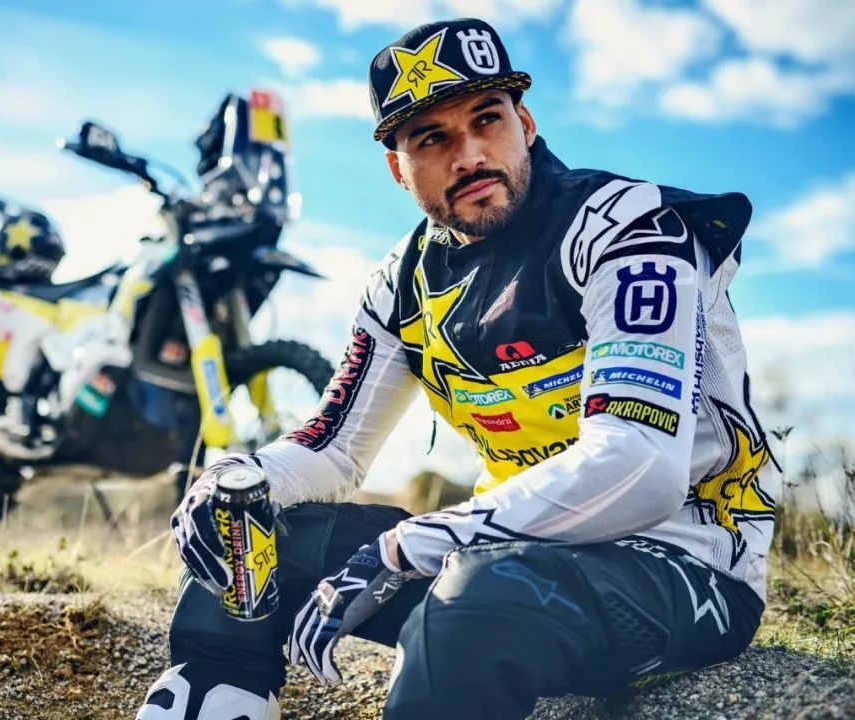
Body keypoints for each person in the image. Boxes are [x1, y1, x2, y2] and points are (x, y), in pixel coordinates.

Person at [136, 17, 777, 720]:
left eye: (486, 119)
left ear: (525, 124)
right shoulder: (400, 284)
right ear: (398, 168)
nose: (469, 155)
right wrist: (241, 478)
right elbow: (334, 447)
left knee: (473, 593)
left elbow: (641, 465)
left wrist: (408, 545)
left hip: (683, 565)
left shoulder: (629, 230)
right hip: (498, 558)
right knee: (252, 530)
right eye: (431, 138)